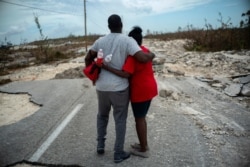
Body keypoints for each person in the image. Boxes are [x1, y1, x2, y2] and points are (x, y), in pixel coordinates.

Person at [84, 14, 155, 163]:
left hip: (102, 87)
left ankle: (100, 145)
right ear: (121, 25)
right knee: (120, 120)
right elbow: (141, 58)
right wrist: (151, 56)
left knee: (102, 116)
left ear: (108, 26)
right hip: (119, 88)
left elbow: (87, 58)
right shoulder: (127, 41)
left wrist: (93, 76)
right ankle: (118, 153)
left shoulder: (100, 41)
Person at [102, 26, 158, 158]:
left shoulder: (133, 57)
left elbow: (126, 74)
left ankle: (144, 150)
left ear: (130, 41)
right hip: (150, 88)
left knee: (139, 119)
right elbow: (150, 57)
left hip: (140, 91)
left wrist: (107, 67)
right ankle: (143, 144)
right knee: (142, 117)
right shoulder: (145, 51)